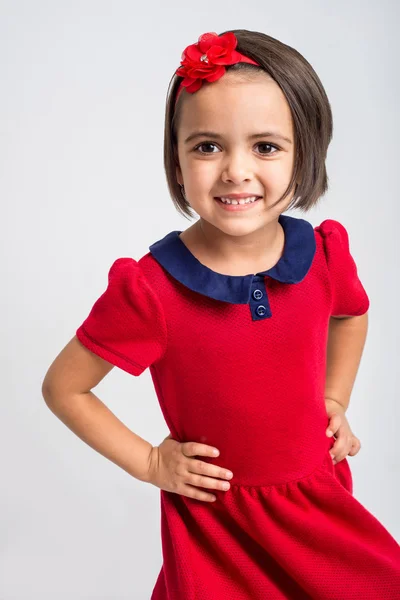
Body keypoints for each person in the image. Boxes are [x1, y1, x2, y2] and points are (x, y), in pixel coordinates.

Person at [42, 29, 400, 600]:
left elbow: (351, 316)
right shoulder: (151, 291)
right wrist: (151, 462)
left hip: (316, 506)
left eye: (265, 147)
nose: (235, 171)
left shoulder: (324, 257)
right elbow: (65, 388)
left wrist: (335, 399)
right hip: (217, 524)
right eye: (208, 146)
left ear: (305, 154)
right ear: (177, 161)